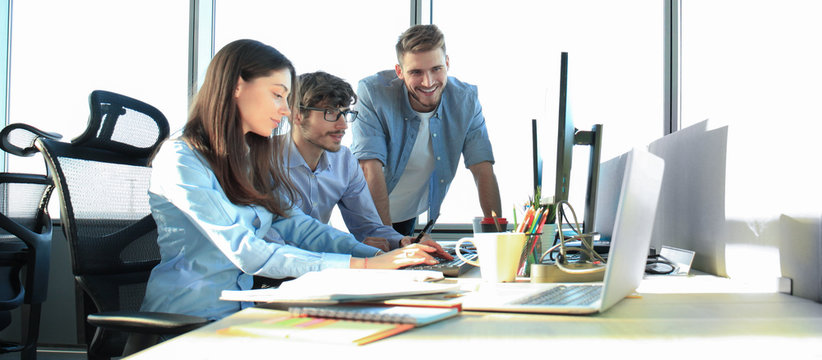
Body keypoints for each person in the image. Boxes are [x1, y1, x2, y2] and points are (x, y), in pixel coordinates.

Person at [140, 39, 445, 321]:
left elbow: (298, 225)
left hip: (244, 312)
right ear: (236, 87)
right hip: (189, 320)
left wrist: (385, 256)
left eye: (287, 97)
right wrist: (367, 266)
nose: (286, 109)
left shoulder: (247, 161)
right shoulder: (181, 159)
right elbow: (248, 251)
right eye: (277, 95)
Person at [351, 24, 502, 236]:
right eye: (416, 72)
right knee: (380, 262)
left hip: (407, 210)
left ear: (447, 63)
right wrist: (388, 239)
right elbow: (370, 168)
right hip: (368, 211)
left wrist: (497, 239)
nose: (428, 82)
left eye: (436, 69)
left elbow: (482, 168)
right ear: (399, 72)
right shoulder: (372, 94)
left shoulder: (466, 100)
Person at [287, 71, 447, 254]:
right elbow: (277, 241)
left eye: (345, 113)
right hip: (270, 276)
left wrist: (403, 242)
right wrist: (354, 248)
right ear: (297, 115)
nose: (343, 125)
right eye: (330, 113)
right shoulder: (263, 163)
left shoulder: (344, 161)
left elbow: (369, 226)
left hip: (321, 268)